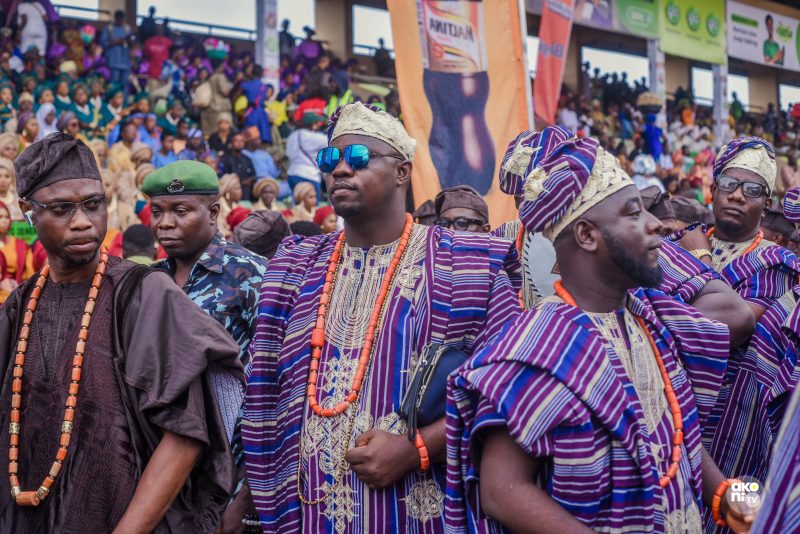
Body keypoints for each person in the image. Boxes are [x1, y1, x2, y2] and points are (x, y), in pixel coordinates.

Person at [445, 134, 749, 533]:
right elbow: (502, 490)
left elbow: (673, 433)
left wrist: (734, 498)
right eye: (633, 213)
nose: (655, 223)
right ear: (587, 235)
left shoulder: (649, 318)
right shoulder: (537, 346)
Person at [242, 102, 522, 532]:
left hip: (418, 516)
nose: (340, 170)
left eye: (358, 157)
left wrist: (418, 449)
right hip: (310, 515)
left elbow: (509, 389)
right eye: (329, 159)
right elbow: (265, 397)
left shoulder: (466, 265)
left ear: (402, 172)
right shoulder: (296, 268)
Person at [0, 132, 243, 531]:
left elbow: (185, 434)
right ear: (28, 210)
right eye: (61, 208)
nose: (82, 221)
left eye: (93, 204)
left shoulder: (143, 293)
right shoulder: (20, 305)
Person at [677, 137, 800, 510]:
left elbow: (724, 328)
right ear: (713, 190)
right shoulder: (673, 242)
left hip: (733, 423)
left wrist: (699, 260)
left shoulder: (776, 265)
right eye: (729, 184)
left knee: (735, 512)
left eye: (752, 190)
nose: (737, 195)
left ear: (766, 205)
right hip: (669, 406)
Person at [285, 111, 328, 198]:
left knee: (297, 203)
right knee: (312, 204)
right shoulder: (316, 137)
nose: (319, 125)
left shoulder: (292, 136)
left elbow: (288, 154)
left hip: (293, 174)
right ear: (313, 124)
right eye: (317, 123)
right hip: (310, 175)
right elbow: (332, 143)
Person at [101, 11, 133, 103]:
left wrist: (129, 41)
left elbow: (132, 43)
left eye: (122, 20)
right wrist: (117, 41)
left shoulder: (127, 28)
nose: (121, 21)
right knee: (113, 84)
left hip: (125, 62)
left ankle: (124, 104)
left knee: (125, 85)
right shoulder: (109, 28)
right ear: (116, 19)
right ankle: (111, 103)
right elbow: (104, 43)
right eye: (119, 20)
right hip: (114, 62)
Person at [220, 133, 257, 201]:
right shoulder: (225, 158)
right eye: (237, 141)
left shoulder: (247, 159)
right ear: (232, 143)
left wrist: (251, 180)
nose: (239, 143)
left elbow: (254, 175)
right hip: (231, 189)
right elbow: (224, 176)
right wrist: (241, 182)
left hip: (247, 190)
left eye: (241, 141)